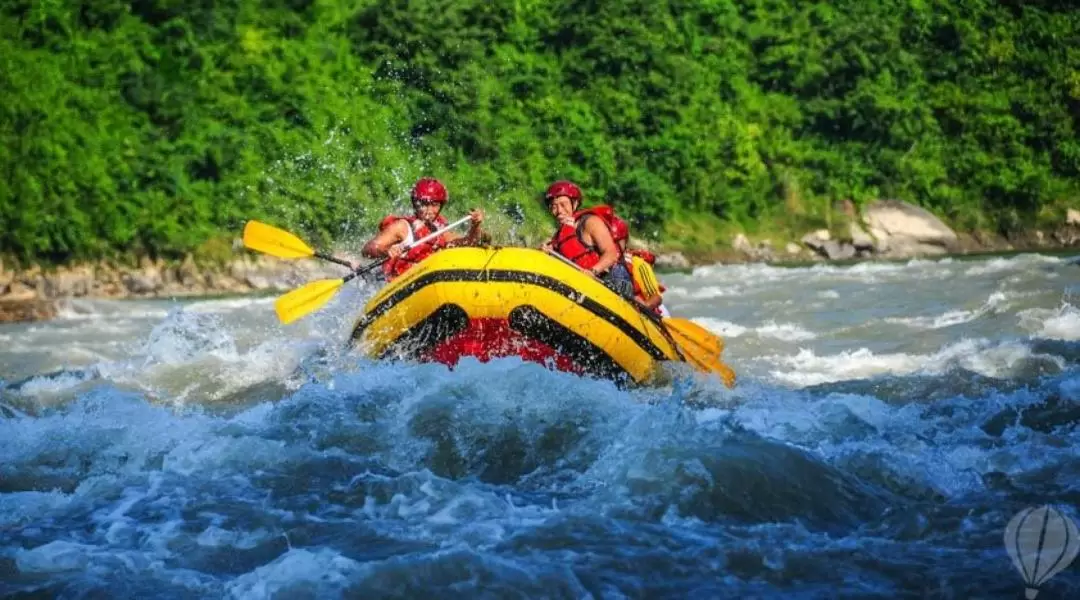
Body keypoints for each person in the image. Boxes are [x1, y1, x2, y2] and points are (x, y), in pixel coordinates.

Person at [359, 177, 485, 280]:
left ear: (441, 206)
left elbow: (468, 243)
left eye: (434, 205)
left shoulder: (440, 230)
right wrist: (386, 251)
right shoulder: (402, 227)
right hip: (393, 284)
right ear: (416, 204)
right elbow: (368, 249)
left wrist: (475, 226)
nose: (429, 211)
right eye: (424, 204)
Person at [541, 180, 634, 299]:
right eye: (554, 207)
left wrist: (593, 271)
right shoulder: (559, 236)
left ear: (574, 204)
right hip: (588, 286)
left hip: (614, 279)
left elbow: (611, 253)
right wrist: (548, 252)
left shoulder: (591, 222)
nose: (559, 211)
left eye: (563, 205)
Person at [608, 212, 672, 317]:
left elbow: (656, 297)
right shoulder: (603, 262)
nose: (612, 245)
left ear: (625, 241)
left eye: (616, 241)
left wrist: (644, 306)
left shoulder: (638, 263)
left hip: (653, 312)